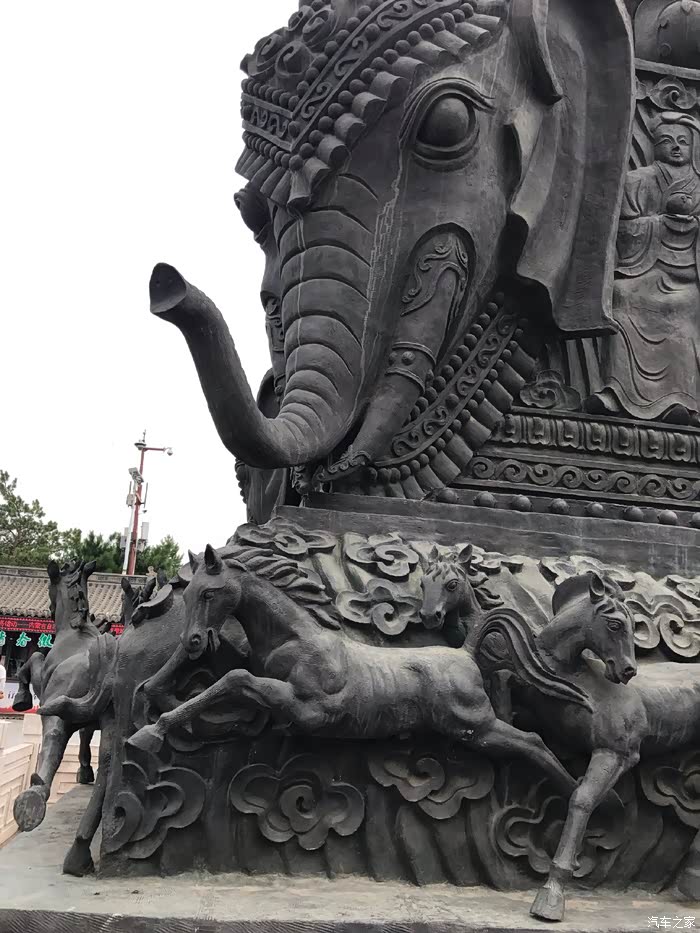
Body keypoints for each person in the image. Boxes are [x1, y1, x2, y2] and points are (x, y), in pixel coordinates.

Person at [587, 112, 700, 424]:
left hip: (686, 275)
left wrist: (692, 226)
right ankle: (617, 392)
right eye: (667, 141)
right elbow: (622, 231)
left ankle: (683, 400)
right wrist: (662, 223)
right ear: (654, 145)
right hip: (643, 269)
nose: (675, 147)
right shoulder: (639, 181)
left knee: (681, 309)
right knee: (620, 296)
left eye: (683, 142)